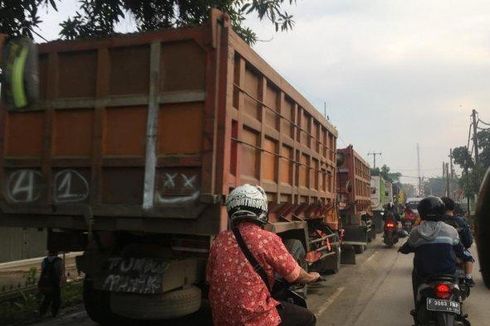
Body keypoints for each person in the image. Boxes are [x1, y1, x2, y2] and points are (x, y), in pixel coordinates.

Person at [207, 184, 319, 326]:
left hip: (221, 317)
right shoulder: (267, 238)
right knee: (308, 318)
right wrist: (312, 277)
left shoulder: (219, 240)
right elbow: (295, 274)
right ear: (261, 209)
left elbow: (210, 278)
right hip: (256, 317)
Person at [398, 196, 473, 307]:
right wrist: (467, 260)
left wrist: (402, 249)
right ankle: (458, 308)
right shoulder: (451, 230)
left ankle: (418, 307)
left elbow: (407, 248)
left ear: (422, 212)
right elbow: (462, 250)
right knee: (458, 281)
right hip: (448, 273)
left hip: (425, 274)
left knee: (415, 275)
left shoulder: (416, 232)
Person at [440, 196, 475, 287]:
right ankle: (468, 278)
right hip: (458, 252)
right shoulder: (461, 221)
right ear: (453, 208)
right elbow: (468, 241)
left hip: (437, 252)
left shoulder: (435, 221)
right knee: (468, 257)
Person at [38, 250, 65, 317]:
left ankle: (42, 312)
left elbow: (42, 272)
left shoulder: (44, 261)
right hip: (55, 283)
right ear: (56, 252)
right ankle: (54, 313)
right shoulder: (59, 261)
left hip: (45, 283)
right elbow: (60, 272)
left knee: (47, 297)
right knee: (56, 298)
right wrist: (61, 281)